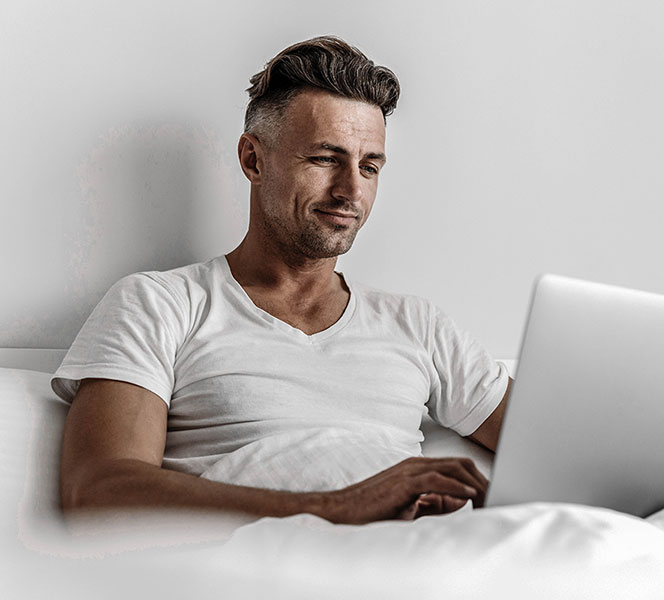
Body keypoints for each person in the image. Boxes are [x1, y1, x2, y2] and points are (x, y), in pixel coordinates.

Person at [54, 36, 511, 525]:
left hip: (413, 564)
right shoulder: (161, 304)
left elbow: (563, 450)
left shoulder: (418, 325)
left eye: (369, 166)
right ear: (253, 160)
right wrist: (331, 509)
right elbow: (99, 488)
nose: (351, 191)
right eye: (324, 159)